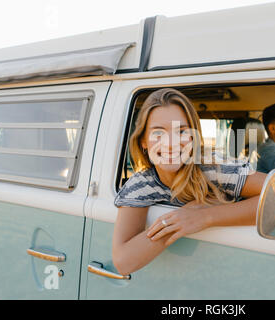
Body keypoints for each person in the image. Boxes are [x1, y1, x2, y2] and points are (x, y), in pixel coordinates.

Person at [112, 88, 266, 276]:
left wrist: (205, 216)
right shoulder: (141, 184)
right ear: (143, 141)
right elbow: (123, 262)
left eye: (182, 131)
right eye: (158, 133)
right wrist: (184, 216)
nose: (170, 143)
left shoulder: (214, 166)